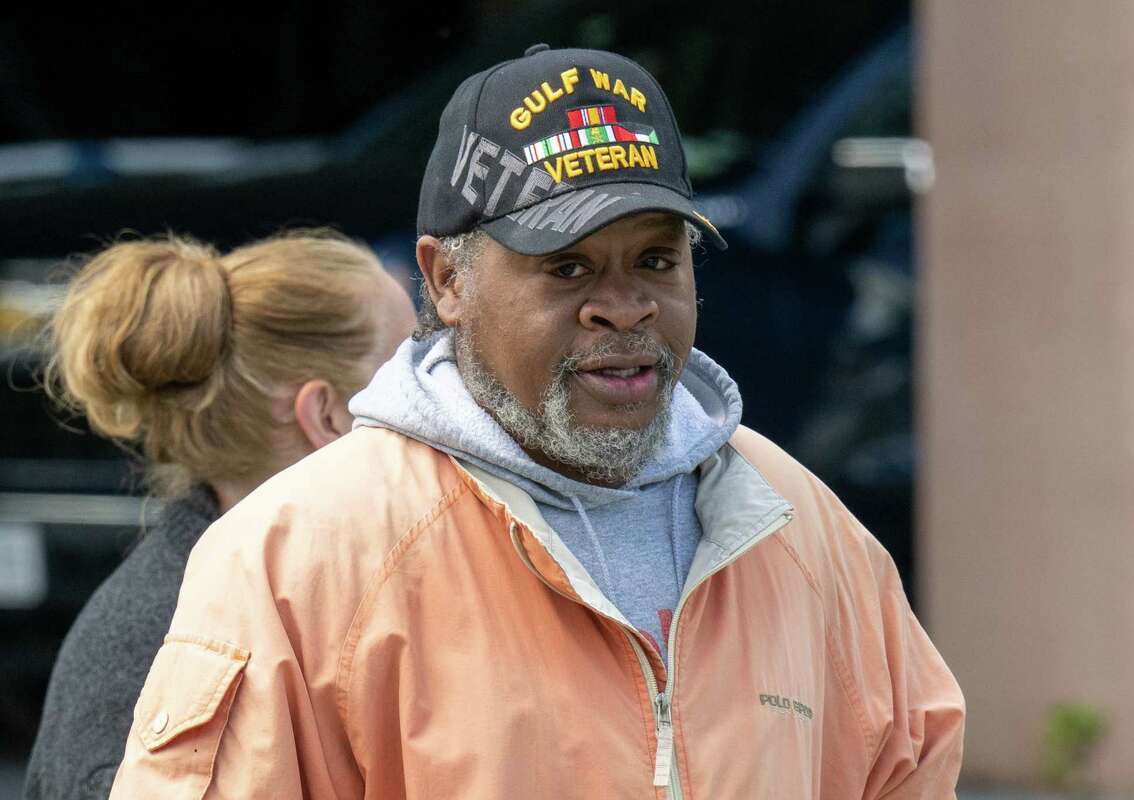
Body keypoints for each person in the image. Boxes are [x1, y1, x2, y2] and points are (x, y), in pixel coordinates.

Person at [110, 46, 964, 799]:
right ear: (445, 281)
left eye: (658, 260)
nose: (624, 308)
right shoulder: (300, 559)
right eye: (567, 267)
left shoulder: (800, 528)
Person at [22, 230, 415, 800]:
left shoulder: (301, 601)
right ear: (326, 415)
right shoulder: (160, 667)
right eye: (407, 367)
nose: (438, 395)